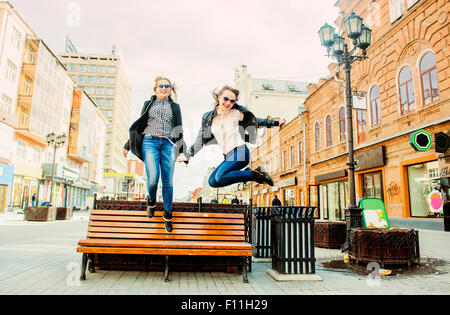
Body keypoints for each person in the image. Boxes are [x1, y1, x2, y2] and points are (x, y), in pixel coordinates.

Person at [186, 86, 285, 189]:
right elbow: (201, 138)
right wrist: (188, 154)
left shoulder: (236, 113)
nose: (228, 103)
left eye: (232, 101)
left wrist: (276, 123)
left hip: (241, 151)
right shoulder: (209, 118)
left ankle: (256, 175)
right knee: (213, 181)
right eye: (226, 99)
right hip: (228, 156)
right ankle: (253, 173)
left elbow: (256, 121)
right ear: (219, 98)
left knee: (220, 176)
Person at [123, 76, 188, 233]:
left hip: (168, 144)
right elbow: (140, 126)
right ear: (155, 88)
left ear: (170, 89)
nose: (164, 88)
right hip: (149, 142)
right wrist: (128, 145)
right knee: (153, 178)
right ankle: (151, 202)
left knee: (168, 181)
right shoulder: (148, 104)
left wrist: (181, 151)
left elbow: (178, 128)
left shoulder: (175, 107)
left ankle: (167, 215)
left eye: (167, 86)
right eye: (161, 86)